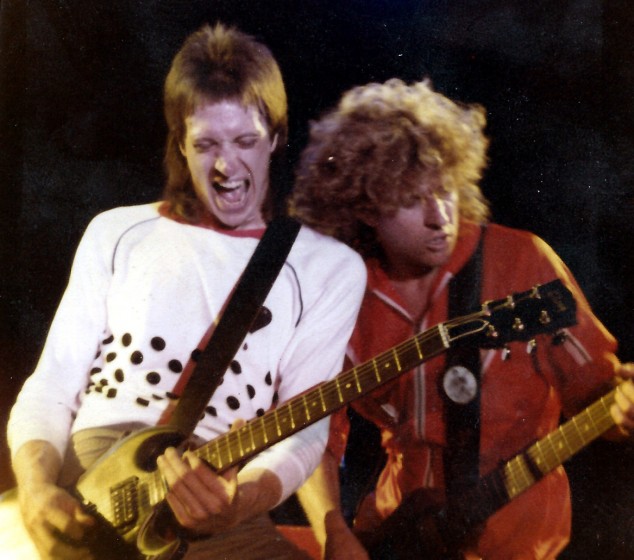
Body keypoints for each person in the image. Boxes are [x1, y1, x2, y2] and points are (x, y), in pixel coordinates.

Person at [7, 23, 366, 560]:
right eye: (206, 145)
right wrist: (36, 489)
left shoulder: (329, 267)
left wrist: (240, 503)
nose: (226, 167)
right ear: (180, 142)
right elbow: (53, 383)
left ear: (275, 138)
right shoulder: (117, 231)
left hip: (214, 490)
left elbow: (305, 431)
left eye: (245, 141)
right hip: (94, 474)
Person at [290, 78, 634, 560]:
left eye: (446, 190)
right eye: (413, 199)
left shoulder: (523, 262)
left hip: (520, 545)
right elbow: (317, 436)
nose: (440, 216)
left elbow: (601, 393)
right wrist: (333, 533)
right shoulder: (345, 295)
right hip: (394, 535)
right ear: (365, 208)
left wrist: (621, 405)